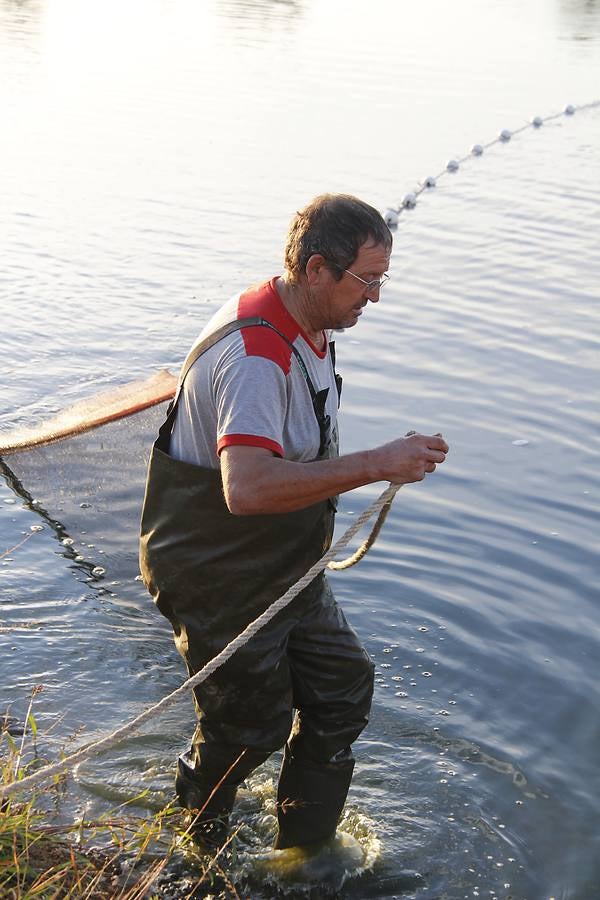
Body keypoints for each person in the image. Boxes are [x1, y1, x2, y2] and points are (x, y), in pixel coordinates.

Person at [139, 193, 448, 852]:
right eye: (367, 281)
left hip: (284, 565)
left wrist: (386, 462)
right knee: (249, 729)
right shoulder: (257, 355)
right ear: (315, 271)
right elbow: (246, 489)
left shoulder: (309, 323)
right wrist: (376, 462)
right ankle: (199, 851)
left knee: (341, 690)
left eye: (381, 280)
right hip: (216, 571)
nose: (375, 296)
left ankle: (303, 860)